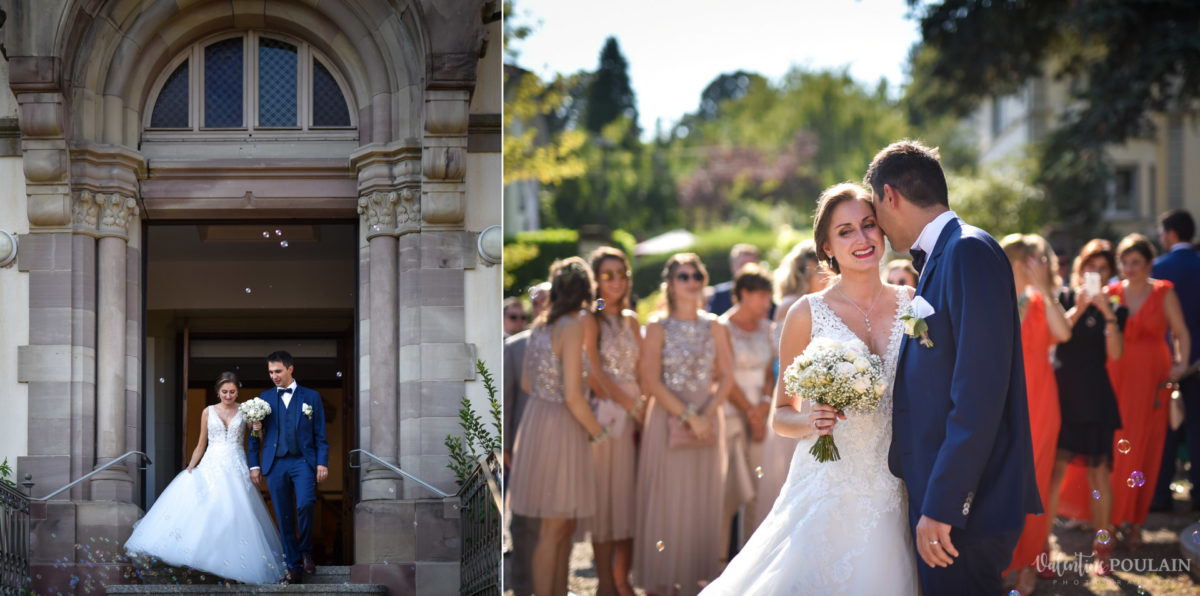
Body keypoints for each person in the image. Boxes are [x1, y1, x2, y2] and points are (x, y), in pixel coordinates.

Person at [702, 183, 918, 595]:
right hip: (828, 485)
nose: (862, 238)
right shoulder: (806, 314)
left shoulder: (914, 303)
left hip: (898, 485)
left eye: (869, 225)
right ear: (827, 249)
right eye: (846, 231)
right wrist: (809, 421)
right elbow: (780, 413)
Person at [867, 140, 1041, 595]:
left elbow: (978, 394)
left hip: (969, 504)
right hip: (947, 495)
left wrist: (944, 505)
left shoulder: (967, 251)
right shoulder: (942, 256)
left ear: (891, 196)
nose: (878, 229)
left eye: (874, 210)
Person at [635, 253, 735, 596]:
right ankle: (663, 583)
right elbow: (650, 380)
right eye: (683, 276)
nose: (691, 281)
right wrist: (687, 415)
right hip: (667, 418)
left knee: (702, 500)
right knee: (666, 500)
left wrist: (706, 413)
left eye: (696, 275)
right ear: (671, 284)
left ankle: (695, 581)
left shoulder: (716, 325)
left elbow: (727, 377)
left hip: (708, 419)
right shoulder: (657, 326)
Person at [126, 372, 287, 584]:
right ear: (217, 392)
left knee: (235, 513)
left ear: (237, 391)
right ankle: (205, 559)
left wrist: (257, 428)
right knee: (208, 511)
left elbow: (257, 440)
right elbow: (202, 443)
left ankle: (233, 565)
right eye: (224, 392)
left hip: (236, 462)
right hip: (212, 462)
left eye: (232, 392)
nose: (228, 395)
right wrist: (191, 466)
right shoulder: (207, 412)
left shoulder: (246, 410)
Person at [508, 257, 608, 596]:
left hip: (537, 421)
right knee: (554, 526)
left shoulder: (538, 326)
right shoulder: (572, 326)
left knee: (562, 524)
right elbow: (574, 396)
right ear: (586, 289)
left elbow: (525, 383)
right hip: (561, 425)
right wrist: (599, 431)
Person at [1102, 234, 1190, 547]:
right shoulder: (1111, 292)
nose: (1128, 268)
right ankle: (1110, 522)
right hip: (1117, 377)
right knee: (1116, 449)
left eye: (1135, 262)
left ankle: (1136, 522)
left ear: (1149, 263)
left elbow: (1180, 332)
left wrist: (1180, 364)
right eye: (1124, 262)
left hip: (1153, 379)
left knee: (1147, 451)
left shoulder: (1164, 292)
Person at [1047, 238, 1125, 577]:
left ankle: (1102, 550)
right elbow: (1056, 336)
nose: (1094, 271)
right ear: (1080, 268)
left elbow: (1117, 354)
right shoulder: (1062, 298)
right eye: (1090, 265)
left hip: (1096, 397)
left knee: (1099, 475)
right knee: (1054, 473)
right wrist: (1078, 307)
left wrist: (1107, 312)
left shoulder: (1116, 306)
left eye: (1102, 268)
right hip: (1062, 395)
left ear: (1110, 273)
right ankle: (1042, 548)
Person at [998, 234, 1072, 594]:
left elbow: (1064, 334)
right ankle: (1001, 560)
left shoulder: (1045, 303)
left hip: (1041, 402)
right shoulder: (995, 301)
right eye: (1030, 260)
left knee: (1037, 484)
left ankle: (1028, 563)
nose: (1037, 266)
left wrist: (1046, 289)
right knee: (1000, 482)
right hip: (1000, 402)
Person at [580, 247, 643, 596]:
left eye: (621, 273)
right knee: (606, 504)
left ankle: (623, 579)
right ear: (595, 280)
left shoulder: (633, 319)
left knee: (631, 501)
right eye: (607, 275)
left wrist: (644, 409)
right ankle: (606, 584)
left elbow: (644, 369)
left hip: (636, 418)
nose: (616, 281)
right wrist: (628, 403)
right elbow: (592, 372)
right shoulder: (590, 319)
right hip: (606, 416)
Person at [754, 240, 827, 526]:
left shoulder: (823, 304)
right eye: (820, 266)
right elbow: (787, 357)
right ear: (807, 269)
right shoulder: (791, 307)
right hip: (799, 393)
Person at [246, 352, 329, 584]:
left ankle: (305, 550)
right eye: (271, 372)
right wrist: (254, 464)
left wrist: (322, 462)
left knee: (306, 504)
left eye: (278, 371)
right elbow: (254, 436)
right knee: (283, 515)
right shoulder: (263, 399)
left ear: (290, 369)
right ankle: (293, 565)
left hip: (303, 461)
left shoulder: (311, 397)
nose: (274, 376)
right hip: (275, 463)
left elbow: (320, 434)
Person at [716, 264, 775, 553]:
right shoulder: (722, 327)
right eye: (762, 295)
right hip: (730, 411)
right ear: (744, 293)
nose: (768, 302)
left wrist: (763, 408)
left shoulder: (767, 328)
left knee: (759, 487)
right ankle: (718, 562)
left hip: (762, 414)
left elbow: (770, 372)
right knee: (728, 492)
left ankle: (750, 557)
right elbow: (720, 374)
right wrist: (749, 413)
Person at [1151, 209, 1200, 512]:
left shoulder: (1156, 268)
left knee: (1164, 429)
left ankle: (1159, 495)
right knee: (1198, 426)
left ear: (1170, 234)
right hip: (1198, 361)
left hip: (1165, 362)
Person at [503, 326, 536, 596]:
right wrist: (505, 445)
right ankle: (522, 585)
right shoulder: (514, 347)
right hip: (523, 448)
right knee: (522, 521)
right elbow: (507, 398)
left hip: (563, 447)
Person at [707, 244, 762, 316]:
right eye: (742, 265)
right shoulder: (720, 295)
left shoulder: (765, 295)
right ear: (732, 266)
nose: (746, 270)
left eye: (751, 265)